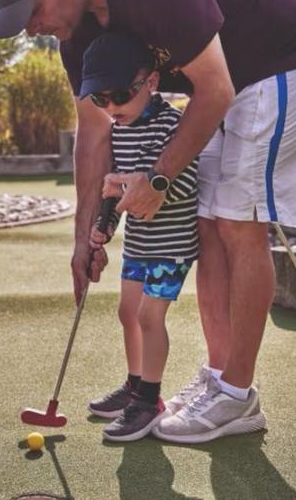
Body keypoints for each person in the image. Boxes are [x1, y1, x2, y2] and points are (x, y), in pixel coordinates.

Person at [0, 0, 296, 443]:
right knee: (208, 225)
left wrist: (157, 177)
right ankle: (219, 381)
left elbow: (215, 88)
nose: (32, 27)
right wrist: (83, 238)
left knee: (239, 224)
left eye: (32, 10)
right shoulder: (75, 36)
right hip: (218, 87)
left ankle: (238, 396)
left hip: (279, 68)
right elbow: (94, 134)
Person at [79, 32, 199, 442]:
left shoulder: (173, 125)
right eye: (100, 100)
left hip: (173, 243)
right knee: (127, 312)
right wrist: (105, 223)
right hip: (140, 243)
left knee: (150, 316)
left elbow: (184, 185)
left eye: (117, 96)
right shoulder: (121, 127)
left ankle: (150, 401)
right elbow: (115, 190)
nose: (110, 108)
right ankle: (134, 385)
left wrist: (133, 183)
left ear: (150, 82)